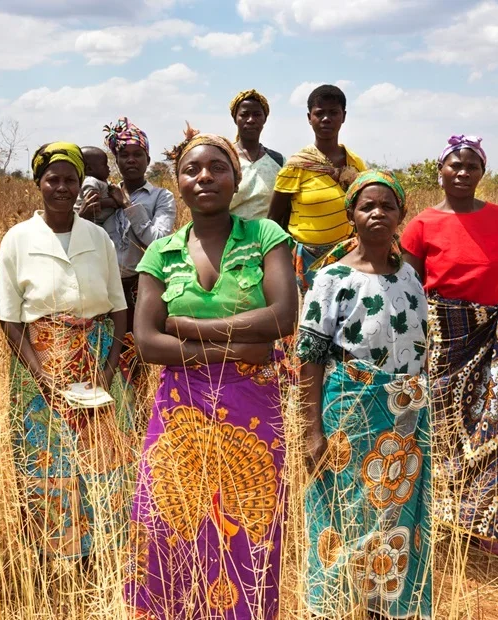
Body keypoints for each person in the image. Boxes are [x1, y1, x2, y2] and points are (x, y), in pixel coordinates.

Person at [124, 126, 298, 619]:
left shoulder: (265, 236)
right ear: (177, 181)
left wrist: (188, 327)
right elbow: (149, 343)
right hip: (179, 405)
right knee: (164, 523)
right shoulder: (161, 253)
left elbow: (283, 316)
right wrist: (240, 344)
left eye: (217, 168)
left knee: (249, 525)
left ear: (236, 178)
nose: (204, 177)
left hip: (253, 406)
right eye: (191, 169)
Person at [0, 141, 135, 560]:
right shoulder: (18, 239)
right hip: (40, 361)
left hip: (96, 361)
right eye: (52, 179)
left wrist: (108, 371)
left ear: (79, 184)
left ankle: (104, 552)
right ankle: (56, 553)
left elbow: (118, 309)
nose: (61, 187)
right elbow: (10, 319)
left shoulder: (97, 237)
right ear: (38, 183)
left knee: (105, 457)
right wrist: (41, 376)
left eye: (69, 179)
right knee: (47, 459)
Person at [299, 170, 432, 619]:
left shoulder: (412, 277)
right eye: (367, 206)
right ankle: (335, 607)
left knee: (395, 519)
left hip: (406, 418)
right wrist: (310, 431)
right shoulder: (331, 279)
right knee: (344, 513)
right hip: (349, 412)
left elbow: (421, 347)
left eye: (387, 206)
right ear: (350, 215)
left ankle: (383, 607)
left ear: (401, 215)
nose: (377, 213)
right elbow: (311, 357)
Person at [401, 135, 498, 556]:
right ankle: (442, 517)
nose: (462, 172)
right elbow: (410, 291)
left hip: (492, 332)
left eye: (471, 166)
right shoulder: (421, 225)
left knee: (495, 423)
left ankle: (490, 524)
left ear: (481, 173)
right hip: (440, 332)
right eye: (455, 165)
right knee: (441, 425)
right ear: (441, 170)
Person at [268, 84, 366, 292]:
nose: (326, 119)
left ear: (344, 116)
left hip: (346, 255)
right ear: (309, 117)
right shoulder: (296, 165)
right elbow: (274, 219)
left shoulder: (355, 163)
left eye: (333, 113)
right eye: (319, 113)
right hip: (305, 260)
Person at [102, 117, 177, 334]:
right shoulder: (104, 194)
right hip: (106, 283)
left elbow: (158, 241)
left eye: (138, 155)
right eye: (124, 155)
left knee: (139, 345)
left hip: (142, 283)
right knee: (106, 345)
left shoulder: (161, 197)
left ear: (148, 159)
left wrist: (126, 204)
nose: (131, 160)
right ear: (116, 161)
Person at [228, 89, 284, 220]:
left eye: (257, 114)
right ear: (235, 119)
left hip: (268, 239)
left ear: (264, 119)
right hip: (231, 238)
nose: (251, 120)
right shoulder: (225, 158)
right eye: (244, 114)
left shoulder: (278, 161)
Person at [75, 146, 117, 226]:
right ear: (89, 169)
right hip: (94, 221)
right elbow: (92, 201)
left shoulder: (100, 181)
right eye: (104, 165)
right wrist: (111, 202)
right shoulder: (91, 181)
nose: (108, 168)